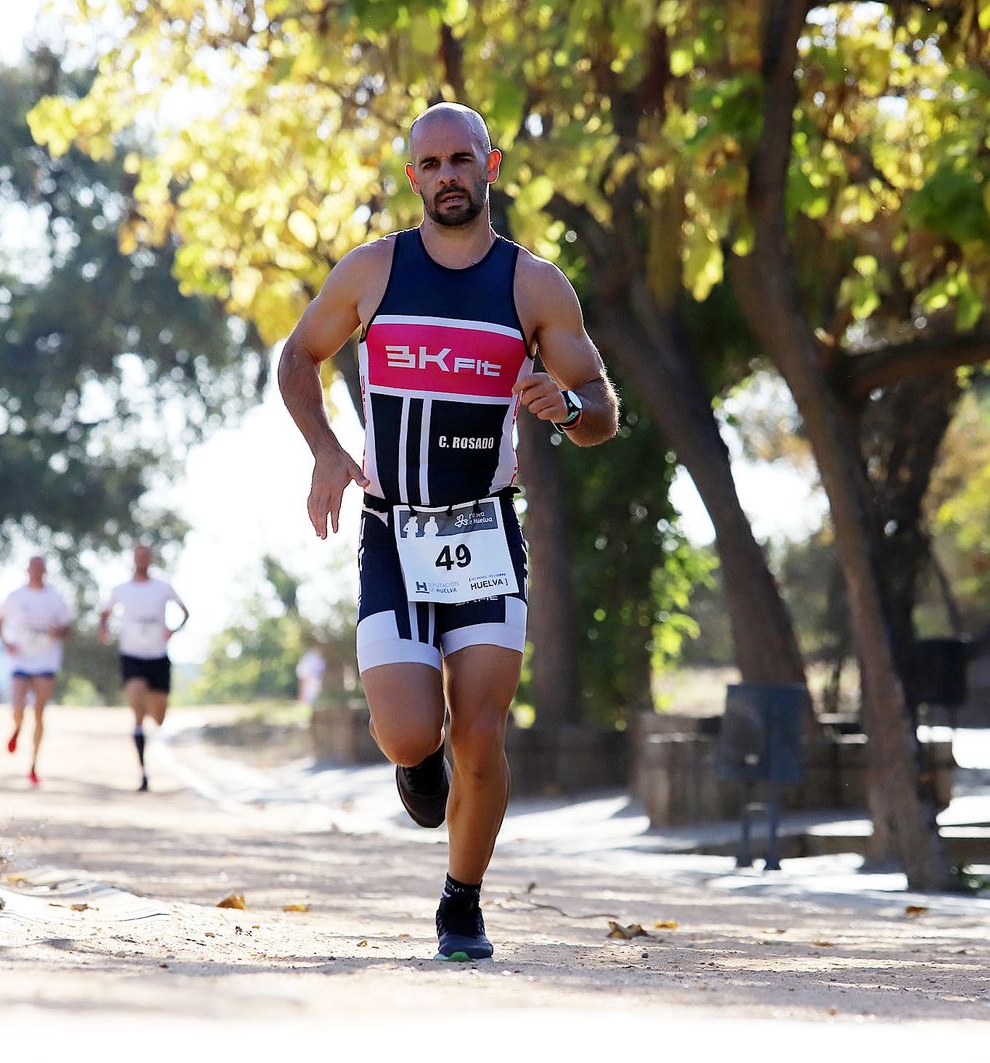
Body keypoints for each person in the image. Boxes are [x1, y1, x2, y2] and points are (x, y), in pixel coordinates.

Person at [277, 102, 617, 960]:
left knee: (482, 730)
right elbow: (297, 356)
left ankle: (461, 901)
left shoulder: (533, 285)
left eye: (461, 160)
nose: (447, 177)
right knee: (408, 733)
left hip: (486, 531)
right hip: (394, 531)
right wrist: (324, 449)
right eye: (430, 165)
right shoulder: (372, 272)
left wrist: (568, 405)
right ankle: (414, 762)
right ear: (412, 178)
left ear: (491, 165)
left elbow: (603, 409)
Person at [98, 544, 189, 792]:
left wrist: (173, 630)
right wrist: (103, 629)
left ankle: (150, 708)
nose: (141, 561)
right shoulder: (121, 589)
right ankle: (143, 773)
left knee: (158, 717)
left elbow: (185, 612)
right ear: (133, 559)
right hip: (132, 656)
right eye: (137, 557)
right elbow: (105, 613)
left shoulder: (163, 587)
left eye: (145, 557)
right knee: (137, 711)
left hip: (157, 657)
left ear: (150, 560)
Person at [0, 556, 75, 786]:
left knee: (39, 712)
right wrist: (5, 642)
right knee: (18, 708)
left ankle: (33, 765)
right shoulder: (16, 596)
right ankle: (18, 728)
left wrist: (57, 633)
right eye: (33, 567)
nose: (37, 572)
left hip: (46, 661)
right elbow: (0, 621)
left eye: (41, 568)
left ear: (45, 571)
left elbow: (68, 628)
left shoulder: (55, 597)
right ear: (28, 570)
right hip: (21, 660)